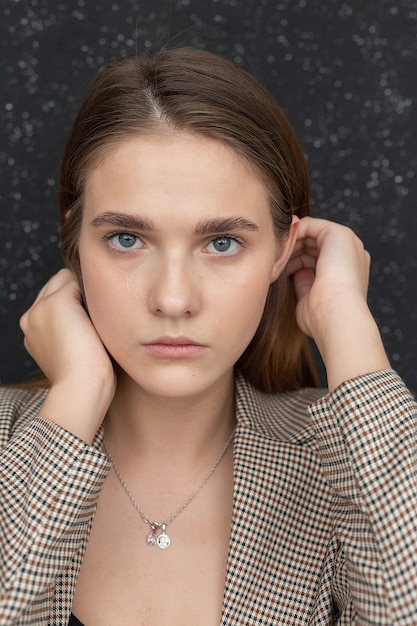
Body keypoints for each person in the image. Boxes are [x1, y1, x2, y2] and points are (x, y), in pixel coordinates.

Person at [0, 47, 416, 626]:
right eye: (126, 238)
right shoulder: (10, 444)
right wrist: (73, 401)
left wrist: (346, 320)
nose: (173, 299)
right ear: (76, 241)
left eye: (222, 243)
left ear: (282, 250)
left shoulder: (346, 461)